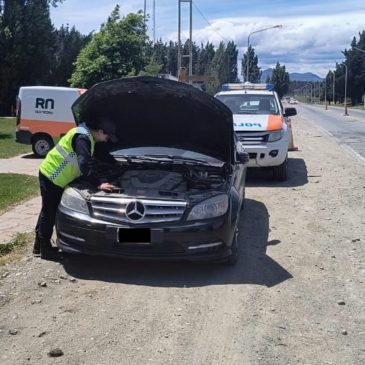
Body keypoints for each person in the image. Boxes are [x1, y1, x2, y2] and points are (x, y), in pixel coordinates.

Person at [33, 119, 118, 260]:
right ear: (101, 131)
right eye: (107, 137)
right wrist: (98, 183)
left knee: (47, 210)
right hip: (52, 176)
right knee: (49, 213)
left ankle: (38, 246)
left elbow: (90, 160)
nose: (106, 140)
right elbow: (84, 164)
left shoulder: (86, 135)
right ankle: (45, 251)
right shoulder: (82, 138)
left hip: (54, 176)